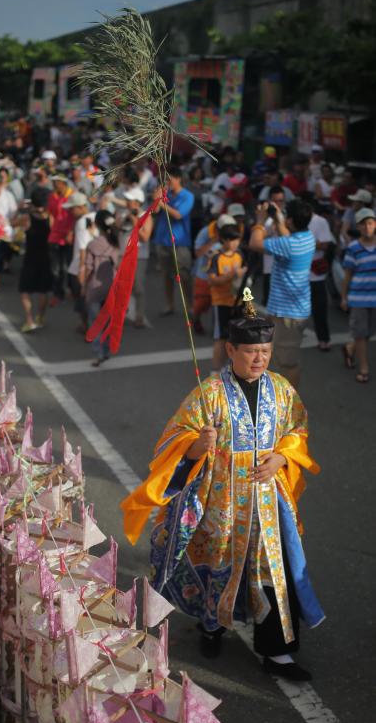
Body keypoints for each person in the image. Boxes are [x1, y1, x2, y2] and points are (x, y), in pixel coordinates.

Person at [121, 292, 324, 681]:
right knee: (218, 566)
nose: (260, 358)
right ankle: (211, 626)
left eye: (265, 350)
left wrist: (282, 457)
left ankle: (277, 652)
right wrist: (196, 445)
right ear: (231, 349)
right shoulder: (210, 393)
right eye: (251, 351)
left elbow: (298, 429)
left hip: (267, 502)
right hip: (220, 502)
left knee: (271, 570)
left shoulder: (282, 389)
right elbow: (173, 437)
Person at [249, 199, 316, 388]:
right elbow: (287, 234)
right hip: (287, 309)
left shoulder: (288, 244)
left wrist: (260, 221)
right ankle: (278, 397)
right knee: (277, 355)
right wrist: (279, 220)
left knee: (288, 363)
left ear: (292, 221)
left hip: (289, 314)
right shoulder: (307, 237)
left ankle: (291, 408)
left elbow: (255, 243)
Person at [152, 166, 194, 315]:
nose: (167, 182)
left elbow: (178, 215)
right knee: (167, 275)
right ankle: (169, 304)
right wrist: (157, 198)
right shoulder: (165, 194)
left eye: (169, 179)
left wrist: (162, 203)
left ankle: (190, 305)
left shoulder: (187, 196)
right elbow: (154, 211)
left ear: (178, 179)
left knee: (184, 276)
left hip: (180, 243)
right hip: (162, 240)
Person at [341, 208, 376, 383]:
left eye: (370, 223)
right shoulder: (353, 248)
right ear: (359, 227)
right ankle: (364, 367)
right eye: (363, 224)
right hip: (359, 298)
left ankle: (349, 348)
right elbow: (347, 275)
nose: (367, 227)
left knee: (368, 333)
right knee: (361, 335)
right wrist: (344, 297)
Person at [208, 225, 247, 372]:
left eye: (237, 239)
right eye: (232, 240)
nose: (236, 243)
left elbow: (244, 270)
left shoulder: (239, 254)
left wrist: (242, 273)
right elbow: (212, 280)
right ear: (223, 240)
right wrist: (232, 275)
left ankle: (232, 368)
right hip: (221, 302)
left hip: (238, 301)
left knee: (236, 337)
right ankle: (215, 371)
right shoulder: (216, 257)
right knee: (221, 338)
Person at [83, 210, 119, 367]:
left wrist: (83, 286)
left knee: (96, 321)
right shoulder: (116, 242)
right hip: (112, 286)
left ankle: (98, 353)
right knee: (109, 320)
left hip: (96, 286)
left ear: (96, 224)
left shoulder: (92, 244)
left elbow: (89, 268)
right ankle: (107, 349)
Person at [190, 214, 235, 335]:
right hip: (204, 274)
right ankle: (195, 318)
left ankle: (220, 329)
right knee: (201, 303)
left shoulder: (233, 234)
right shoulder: (205, 233)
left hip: (223, 276)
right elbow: (198, 253)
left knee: (221, 303)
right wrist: (213, 241)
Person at [17, 188, 52, 333]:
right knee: (43, 290)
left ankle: (29, 320)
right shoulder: (50, 217)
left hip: (30, 257)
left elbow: (12, 223)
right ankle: (40, 317)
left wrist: (20, 209)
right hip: (46, 257)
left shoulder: (27, 218)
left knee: (25, 290)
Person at [117, 186, 153, 328]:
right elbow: (115, 228)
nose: (126, 202)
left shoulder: (146, 216)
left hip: (139, 257)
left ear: (137, 202)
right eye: (126, 199)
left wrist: (135, 222)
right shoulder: (122, 213)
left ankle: (139, 316)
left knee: (138, 288)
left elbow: (145, 237)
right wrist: (124, 218)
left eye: (129, 200)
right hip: (122, 255)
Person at [65, 192, 96, 332]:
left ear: (81, 207)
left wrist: (81, 270)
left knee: (82, 299)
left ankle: (87, 327)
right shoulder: (95, 216)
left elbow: (83, 248)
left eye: (73, 208)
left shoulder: (81, 222)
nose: (70, 211)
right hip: (97, 264)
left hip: (81, 265)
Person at [309, 209, 335, 351]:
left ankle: (324, 339)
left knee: (320, 309)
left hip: (315, 274)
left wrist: (301, 243)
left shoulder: (320, 221)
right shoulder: (289, 219)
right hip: (295, 274)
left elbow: (325, 244)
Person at [47, 174, 75, 302]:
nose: (54, 185)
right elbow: (51, 214)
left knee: (66, 266)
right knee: (55, 268)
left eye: (56, 182)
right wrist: (51, 227)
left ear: (63, 183)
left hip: (68, 236)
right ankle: (57, 292)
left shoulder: (72, 195)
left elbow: (75, 216)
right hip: (55, 236)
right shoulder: (52, 196)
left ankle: (68, 289)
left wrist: (71, 232)